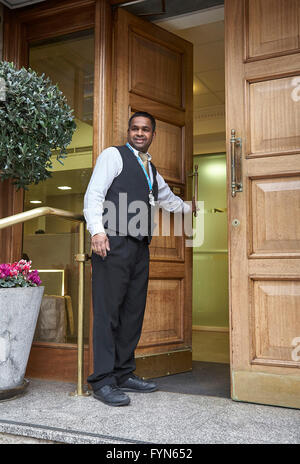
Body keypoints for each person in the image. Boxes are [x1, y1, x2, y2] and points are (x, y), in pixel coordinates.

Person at [83, 111, 191, 406]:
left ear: (152, 134)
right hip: (112, 242)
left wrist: (196, 211)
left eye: (145, 129)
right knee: (108, 314)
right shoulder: (113, 156)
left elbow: (170, 200)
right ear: (128, 132)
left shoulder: (151, 169)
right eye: (135, 128)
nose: (139, 133)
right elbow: (94, 195)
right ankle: (103, 380)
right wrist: (97, 231)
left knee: (132, 312)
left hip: (140, 246)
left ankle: (123, 373)